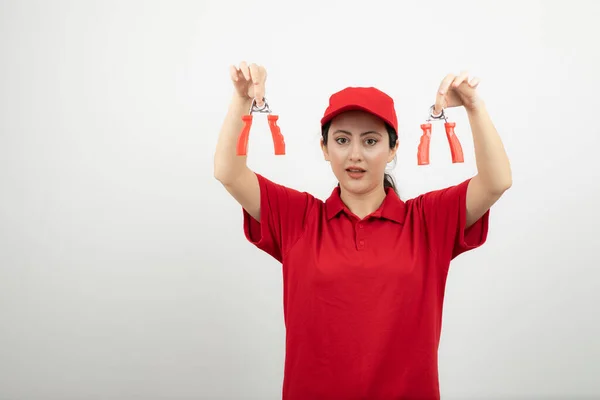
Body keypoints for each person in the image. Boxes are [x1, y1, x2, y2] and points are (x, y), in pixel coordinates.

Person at [213, 61, 512, 400]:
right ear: (325, 149)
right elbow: (229, 173)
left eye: (370, 141)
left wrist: (474, 106)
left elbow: (496, 182)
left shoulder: (428, 221)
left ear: (392, 149)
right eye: (342, 140)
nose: (355, 155)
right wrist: (242, 99)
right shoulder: (298, 218)